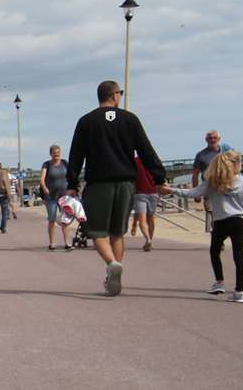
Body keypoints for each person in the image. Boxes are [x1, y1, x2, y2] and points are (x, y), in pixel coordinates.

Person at [66, 80, 166, 296]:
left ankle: (112, 263)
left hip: (99, 184)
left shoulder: (86, 121)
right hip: (126, 184)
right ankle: (114, 270)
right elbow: (146, 151)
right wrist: (159, 177)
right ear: (114, 96)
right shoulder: (130, 120)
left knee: (97, 232)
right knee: (117, 232)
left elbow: (76, 155)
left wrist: (72, 183)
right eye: (120, 93)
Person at [162, 151, 243, 303]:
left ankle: (219, 282)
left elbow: (192, 193)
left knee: (215, 251)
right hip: (238, 221)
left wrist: (171, 190)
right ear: (236, 165)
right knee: (238, 255)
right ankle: (239, 292)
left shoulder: (212, 182)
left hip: (220, 221)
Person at [38, 145, 70, 250]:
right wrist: (45, 188)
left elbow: (71, 176)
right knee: (52, 219)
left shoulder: (65, 163)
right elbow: (42, 179)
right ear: (50, 154)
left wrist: (72, 188)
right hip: (51, 196)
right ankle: (52, 243)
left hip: (64, 196)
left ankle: (67, 243)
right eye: (54, 153)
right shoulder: (46, 164)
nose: (56, 154)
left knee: (65, 219)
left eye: (58, 152)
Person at [129, 155, 158, 251]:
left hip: (140, 192)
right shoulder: (154, 160)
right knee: (151, 218)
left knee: (142, 218)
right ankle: (150, 240)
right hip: (154, 192)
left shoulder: (134, 161)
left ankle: (147, 239)